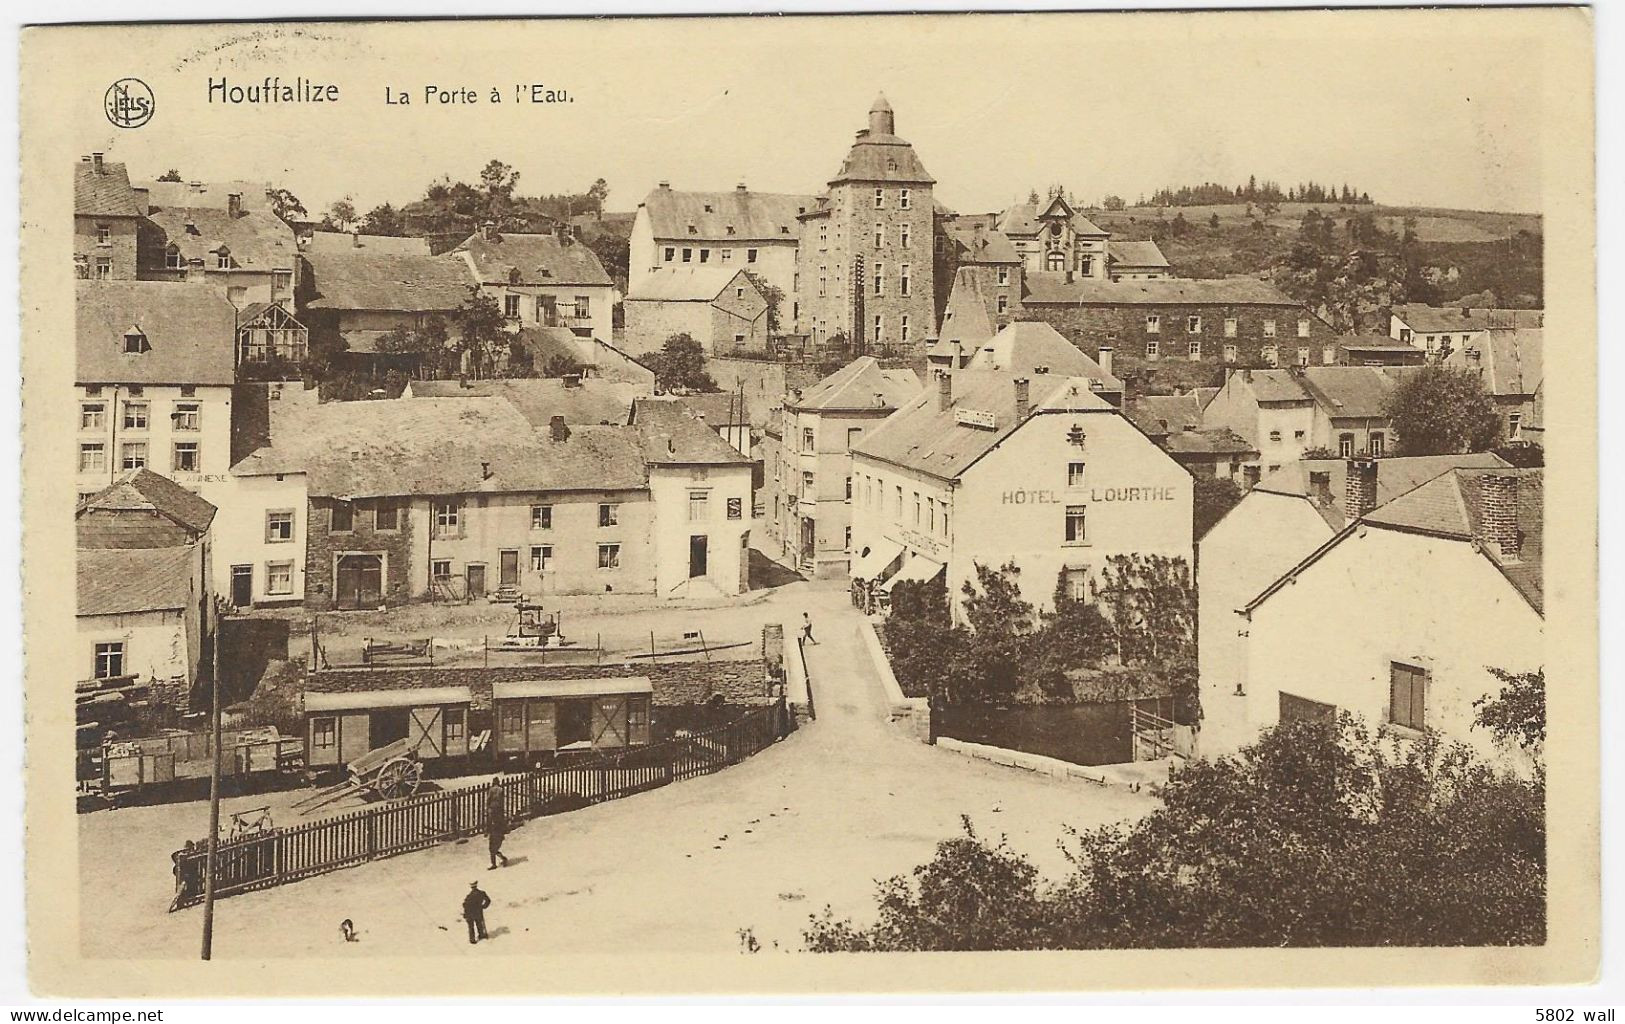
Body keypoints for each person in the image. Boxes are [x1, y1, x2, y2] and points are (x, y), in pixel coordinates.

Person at [486, 781, 510, 870]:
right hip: (496, 830)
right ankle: (500, 860)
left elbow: (490, 821)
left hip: (495, 830)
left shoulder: (492, 809)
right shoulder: (498, 809)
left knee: (492, 847)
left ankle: (495, 863)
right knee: (493, 847)